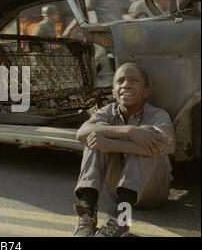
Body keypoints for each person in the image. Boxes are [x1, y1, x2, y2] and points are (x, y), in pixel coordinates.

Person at [72, 62, 176, 237]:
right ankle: (87, 216)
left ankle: (121, 221)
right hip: (117, 191)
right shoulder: (107, 112)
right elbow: (81, 133)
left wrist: (112, 144)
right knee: (94, 140)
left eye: (134, 80)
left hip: (153, 193)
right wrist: (130, 131)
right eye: (120, 81)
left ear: (146, 91)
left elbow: (169, 145)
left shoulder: (157, 114)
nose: (126, 85)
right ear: (113, 92)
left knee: (149, 145)